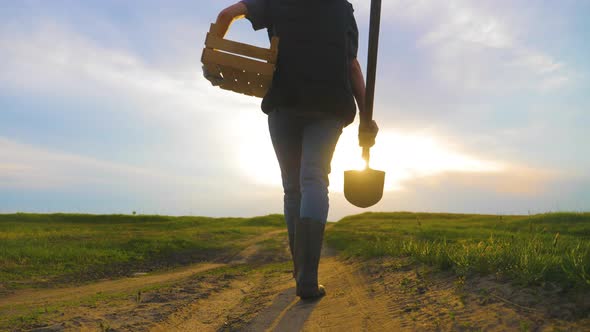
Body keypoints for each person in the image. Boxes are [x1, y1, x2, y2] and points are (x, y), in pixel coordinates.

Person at [205, 0, 378, 299]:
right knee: (314, 179)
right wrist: (366, 118)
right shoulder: (342, 8)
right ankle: (308, 279)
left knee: (293, 188)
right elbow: (351, 64)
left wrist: (213, 59)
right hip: (330, 105)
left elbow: (226, 15)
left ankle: (300, 271)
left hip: (285, 104)